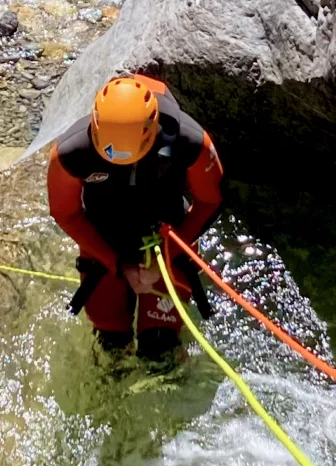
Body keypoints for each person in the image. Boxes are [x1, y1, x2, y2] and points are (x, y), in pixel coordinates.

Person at [47, 73, 223, 359]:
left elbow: (209, 202)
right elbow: (66, 214)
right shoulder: (70, 154)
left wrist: (166, 256)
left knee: (160, 348)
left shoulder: (190, 142)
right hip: (105, 237)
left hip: (166, 234)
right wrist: (117, 265)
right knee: (110, 343)